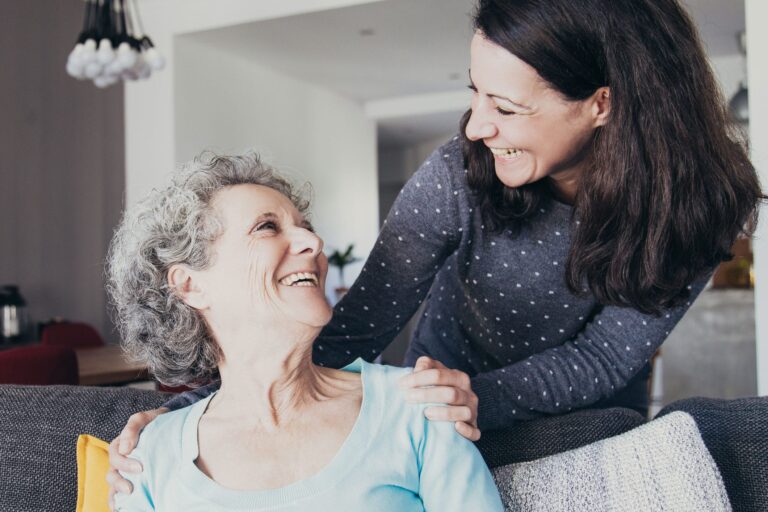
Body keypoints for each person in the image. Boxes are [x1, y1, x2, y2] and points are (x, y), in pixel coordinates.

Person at [108, 0, 764, 501]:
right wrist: (193, 415)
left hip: (574, 418)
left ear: (602, 103)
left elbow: (602, 357)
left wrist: (469, 398)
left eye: (505, 106)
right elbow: (364, 320)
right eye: (475, 91)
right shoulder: (460, 171)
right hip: (438, 403)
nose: (477, 126)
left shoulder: (700, 207)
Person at [106, 152, 503, 511]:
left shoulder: (420, 405)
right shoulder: (148, 457)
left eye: (306, 227)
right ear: (191, 285)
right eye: (267, 227)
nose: (314, 242)